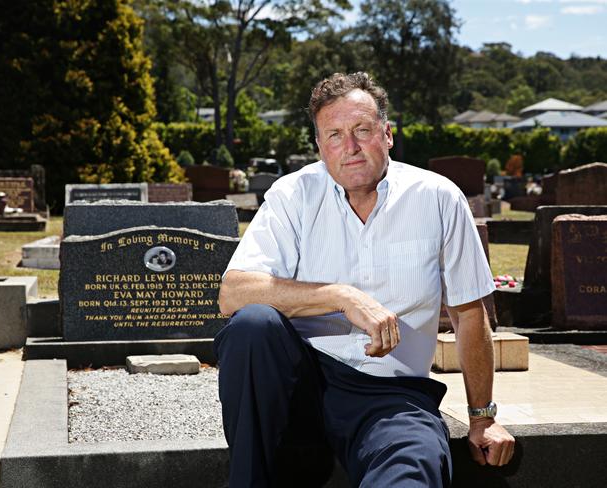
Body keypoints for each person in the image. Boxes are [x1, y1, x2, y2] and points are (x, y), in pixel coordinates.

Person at [215, 72, 515, 487]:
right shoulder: (292, 194)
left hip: (391, 397)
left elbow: (469, 314)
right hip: (298, 386)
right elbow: (232, 293)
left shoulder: (438, 198)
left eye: (362, 130)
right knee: (252, 325)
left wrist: (483, 418)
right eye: (334, 135)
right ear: (320, 146)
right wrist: (341, 296)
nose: (350, 148)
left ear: (387, 134)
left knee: (413, 472)